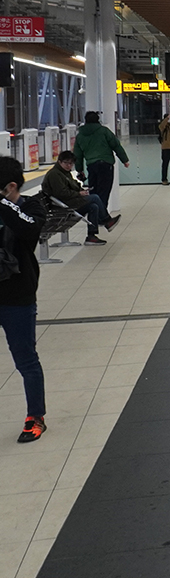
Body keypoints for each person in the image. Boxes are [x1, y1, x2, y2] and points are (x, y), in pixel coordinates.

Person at [0, 156, 48, 442]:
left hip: (17, 296)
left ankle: (36, 415)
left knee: (26, 359)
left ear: (11, 187)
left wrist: (3, 204)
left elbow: (30, 230)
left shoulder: (30, 207)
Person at [41, 151, 120, 245]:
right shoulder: (54, 174)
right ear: (59, 162)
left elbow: (72, 186)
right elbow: (61, 193)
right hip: (62, 206)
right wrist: (79, 193)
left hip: (67, 202)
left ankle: (91, 236)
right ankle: (107, 220)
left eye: (71, 163)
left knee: (93, 206)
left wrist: (81, 191)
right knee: (94, 197)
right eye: (66, 163)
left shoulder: (64, 172)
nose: (68, 166)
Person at [71, 111, 130, 209]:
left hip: (91, 166)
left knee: (94, 191)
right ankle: (102, 216)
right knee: (104, 191)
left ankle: (96, 215)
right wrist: (124, 160)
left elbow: (78, 154)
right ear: (98, 120)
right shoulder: (104, 131)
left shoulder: (80, 135)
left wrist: (79, 170)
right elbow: (116, 145)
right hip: (105, 165)